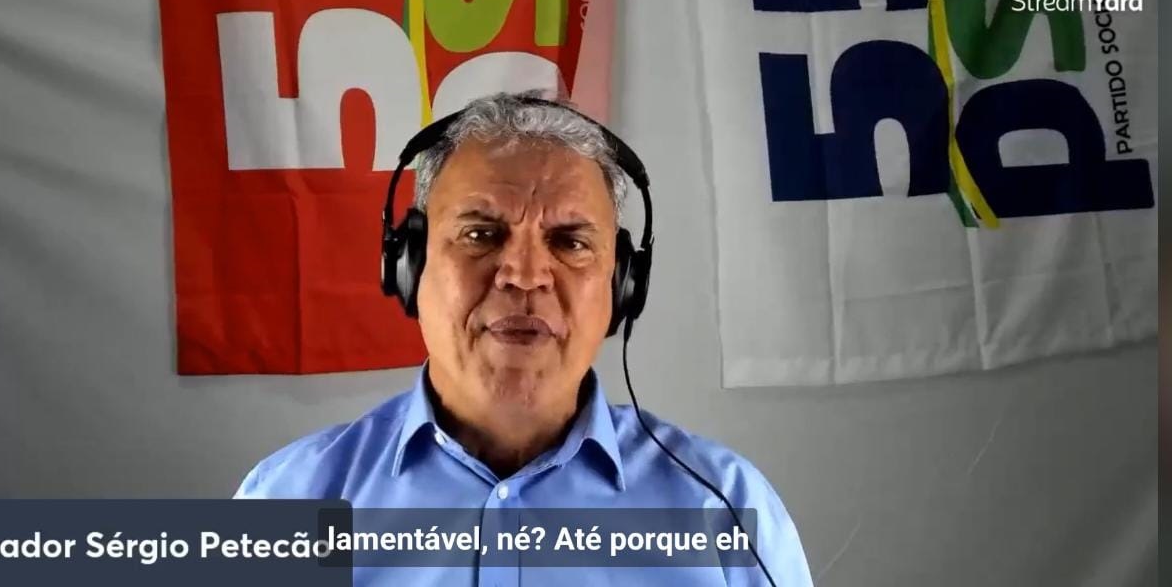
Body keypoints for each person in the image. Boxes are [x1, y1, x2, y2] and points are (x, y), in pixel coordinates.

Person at [234, 92, 814, 586]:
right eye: (481, 234)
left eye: (570, 242)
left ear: (621, 285)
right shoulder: (287, 498)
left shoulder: (729, 507)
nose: (525, 274)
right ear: (409, 266)